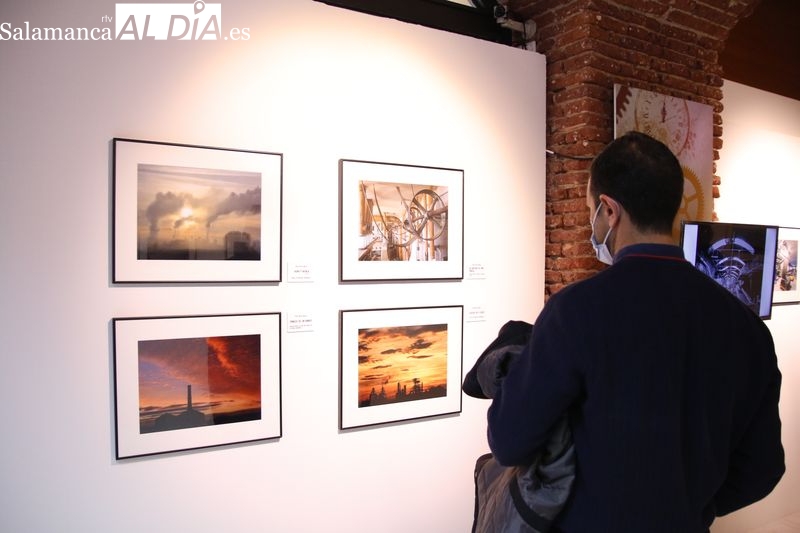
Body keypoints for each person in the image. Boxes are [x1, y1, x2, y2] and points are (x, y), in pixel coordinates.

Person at [486, 131, 785, 532]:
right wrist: (691, 506)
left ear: (609, 210)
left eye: (590, 209)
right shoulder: (745, 327)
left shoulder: (575, 311)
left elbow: (510, 440)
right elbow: (762, 469)